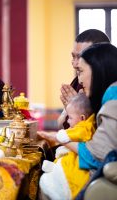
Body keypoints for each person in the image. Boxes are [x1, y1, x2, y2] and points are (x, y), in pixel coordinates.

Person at [38, 43, 117, 199]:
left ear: (98, 70)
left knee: (47, 183)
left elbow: (95, 155)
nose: (79, 79)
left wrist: (60, 138)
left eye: (81, 71)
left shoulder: (113, 100)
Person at [58, 29, 110, 129]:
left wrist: (80, 112)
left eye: (81, 57)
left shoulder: (110, 89)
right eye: (73, 56)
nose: (75, 64)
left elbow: (104, 139)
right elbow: (61, 125)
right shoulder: (78, 82)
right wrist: (70, 110)